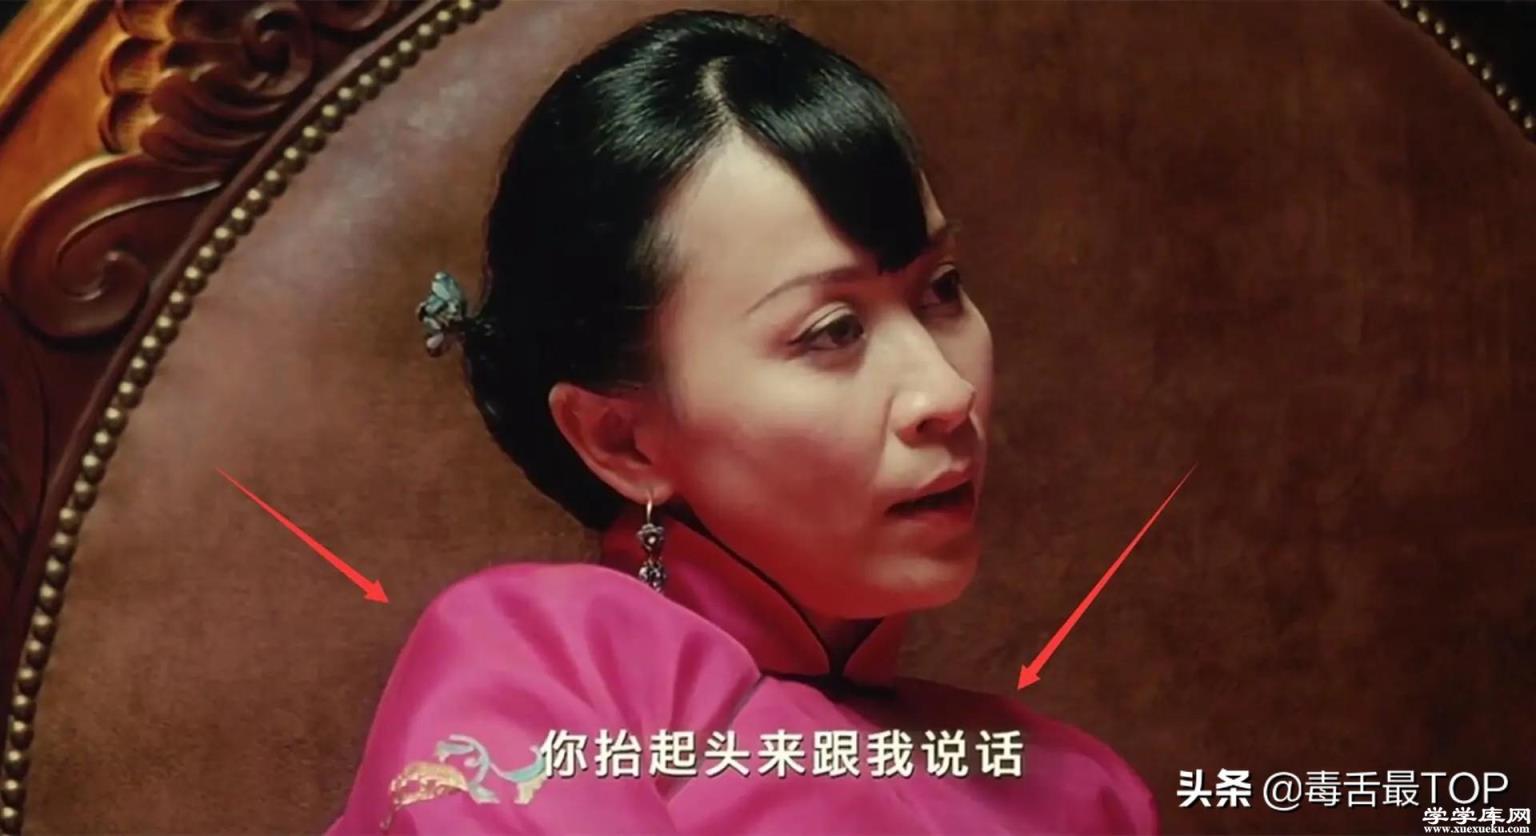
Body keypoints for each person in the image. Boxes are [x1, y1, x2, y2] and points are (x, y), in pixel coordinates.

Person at [327, 9, 1157, 834]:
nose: (945, 392)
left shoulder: (1081, 795)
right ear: (622, 440)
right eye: (833, 331)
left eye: (940, 290)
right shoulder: (535, 668)